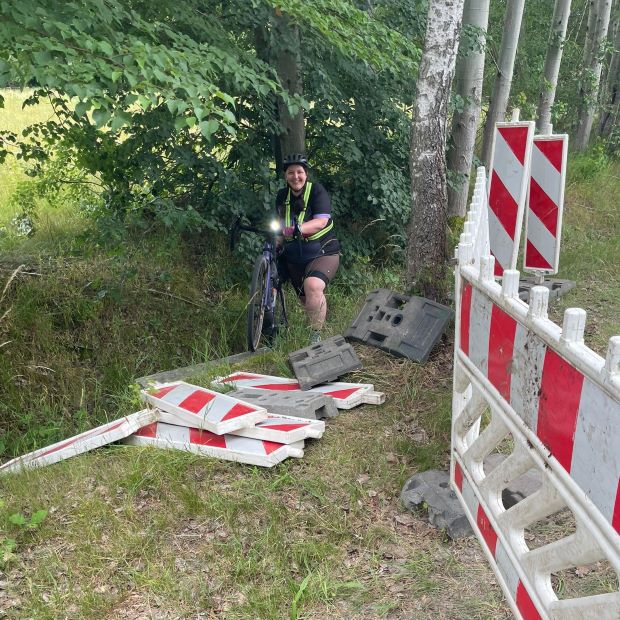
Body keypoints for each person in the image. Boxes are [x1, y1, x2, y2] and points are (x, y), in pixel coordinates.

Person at [275, 153, 340, 343]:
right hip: (295, 256)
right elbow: (279, 225)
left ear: (306, 174)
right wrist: (276, 240)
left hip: (322, 251)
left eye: (300, 172)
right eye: (291, 173)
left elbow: (321, 221)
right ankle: (315, 328)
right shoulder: (281, 196)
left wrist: (297, 229)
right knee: (306, 300)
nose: (296, 177)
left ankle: (315, 340)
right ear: (285, 176)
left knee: (313, 286)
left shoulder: (317, 191)